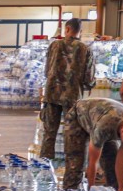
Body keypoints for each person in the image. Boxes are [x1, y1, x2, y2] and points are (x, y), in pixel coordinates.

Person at [62, 98, 123, 191]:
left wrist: (121, 188)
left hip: (100, 121)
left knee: (111, 161)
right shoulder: (104, 127)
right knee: (76, 164)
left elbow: (122, 161)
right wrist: (91, 190)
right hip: (78, 117)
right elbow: (93, 162)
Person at [39, 18, 95, 161]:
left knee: (49, 134)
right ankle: (71, 167)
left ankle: (45, 166)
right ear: (80, 31)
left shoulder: (54, 45)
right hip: (72, 97)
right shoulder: (85, 49)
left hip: (52, 94)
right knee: (71, 134)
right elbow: (89, 79)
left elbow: (47, 71)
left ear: (67, 29)